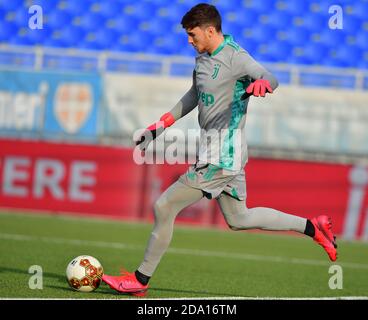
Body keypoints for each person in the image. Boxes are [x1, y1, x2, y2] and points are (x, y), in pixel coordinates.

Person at [102, 3, 337, 297]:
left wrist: (263, 84)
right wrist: (158, 127)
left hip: (223, 155)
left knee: (164, 206)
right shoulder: (201, 60)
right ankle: (312, 227)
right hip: (221, 152)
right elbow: (192, 97)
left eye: (192, 34)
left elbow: (270, 78)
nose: (189, 40)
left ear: (210, 30)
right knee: (240, 219)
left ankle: (140, 280)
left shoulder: (236, 58)